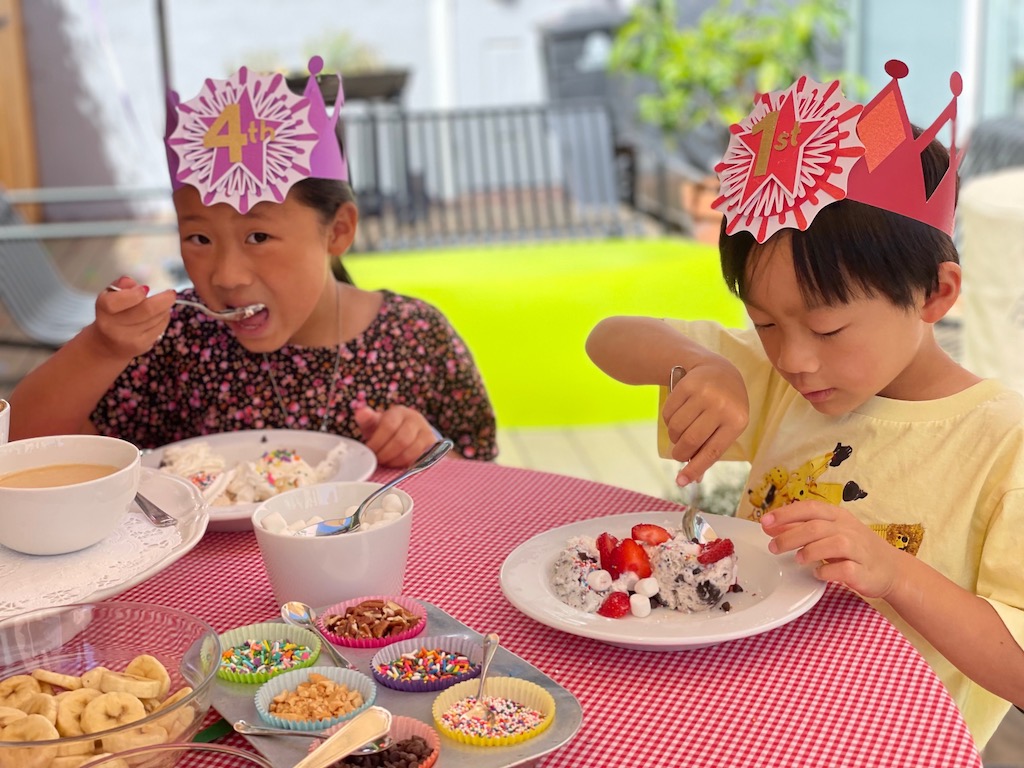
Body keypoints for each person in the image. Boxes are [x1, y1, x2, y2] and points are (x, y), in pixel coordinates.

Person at [586, 61, 1024, 747]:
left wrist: (894, 574)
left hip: (891, 745)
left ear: (936, 294)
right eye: (764, 323)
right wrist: (701, 365)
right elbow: (607, 338)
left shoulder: (1003, 444)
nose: (793, 358)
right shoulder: (776, 382)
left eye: (826, 328)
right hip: (745, 715)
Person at [8, 57, 497, 466]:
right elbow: (19, 452)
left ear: (339, 230)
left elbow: (487, 487)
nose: (224, 275)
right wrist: (100, 349)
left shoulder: (417, 339)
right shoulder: (175, 346)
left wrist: (429, 452)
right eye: (198, 237)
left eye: (258, 235)